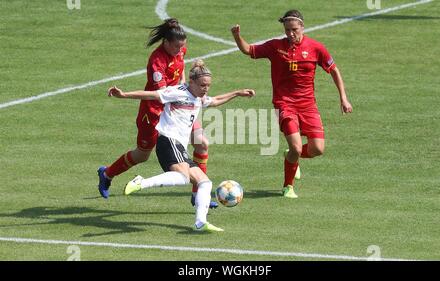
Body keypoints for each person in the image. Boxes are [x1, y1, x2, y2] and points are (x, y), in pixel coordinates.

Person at [107, 60, 255, 231]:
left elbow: (214, 101)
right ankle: (142, 182)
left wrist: (237, 93)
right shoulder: (177, 92)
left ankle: (200, 223)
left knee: (205, 183)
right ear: (191, 82)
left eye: (208, 85)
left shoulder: (198, 98)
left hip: (179, 146)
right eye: (202, 85)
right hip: (168, 141)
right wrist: (124, 95)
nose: (205, 89)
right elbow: (152, 95)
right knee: (183, 178)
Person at [231, 9, 353, 198]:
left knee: (317, 149)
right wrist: (237, 36)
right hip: (285, 103)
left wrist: (343, 98)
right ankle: (288, 186)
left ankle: (291, 156)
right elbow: (249, 50)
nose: (290, 34)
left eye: (294, 29)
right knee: (297, 147)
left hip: (308, 105)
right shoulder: (275, 46)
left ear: (302, 27)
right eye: (287, 30)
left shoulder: (316, 48)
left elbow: (334, 70)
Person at [97, 18, 217, 208]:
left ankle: (198, 194)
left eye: (182, 47)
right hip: (154, 111)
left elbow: (181, 71)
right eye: (177, 47)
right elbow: (161, 94)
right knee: (142, 155)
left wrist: (189, 92)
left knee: (202, 143)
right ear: (166, 43)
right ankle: (107, 174)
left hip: (180, 107)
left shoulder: (179, 50)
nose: (180, 50)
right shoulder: (157, 62)